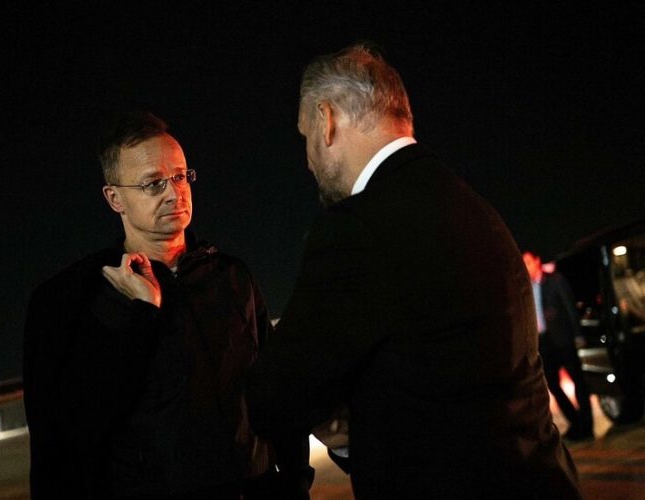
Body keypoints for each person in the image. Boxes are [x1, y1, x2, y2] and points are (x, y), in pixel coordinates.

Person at [246, 43, 581, 498]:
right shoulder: (472, 207)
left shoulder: (358, 227)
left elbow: (276, 394)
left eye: (305, 137)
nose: (307, 160)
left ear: (327, 119)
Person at [23, 111, 311, 499]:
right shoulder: (82, 298)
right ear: (114, 198)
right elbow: (74, 429)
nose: (174, 193)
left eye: (179, 176)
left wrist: (295, 482)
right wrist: (138, 313)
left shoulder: (231, 277)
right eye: (153, 183)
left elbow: (277, 393)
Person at [523, 250, 594, 441]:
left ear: (537, 261)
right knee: (552, 384)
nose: (526, 267)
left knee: (578, 381)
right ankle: (575, 421)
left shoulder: (554, 280)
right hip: (543, 342)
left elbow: (569, 307)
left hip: (563, 338)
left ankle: (586, 426)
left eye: (528, 262)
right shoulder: (526, 288)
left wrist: (578, 334)